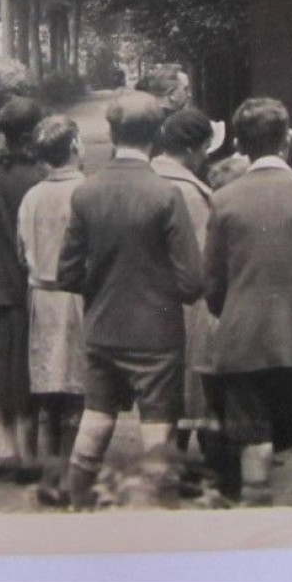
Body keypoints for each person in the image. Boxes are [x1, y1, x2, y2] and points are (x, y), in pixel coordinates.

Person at [59, 91, 204, 509]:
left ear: (110, 130)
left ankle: (76, 503)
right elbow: (192, 281)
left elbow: (66, 273)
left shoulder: (86, 192)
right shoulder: (165, 194)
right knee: (157, 428)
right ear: (158, 134)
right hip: (157, 334)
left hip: (103, 327)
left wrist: (103, 287)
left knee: (97, 417)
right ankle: (158, 518)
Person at [205, 98, 292, 507]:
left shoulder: (224, 199)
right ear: (288, 138)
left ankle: (258, 537)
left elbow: (212, 280)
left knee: (255, 440)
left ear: (240, 144)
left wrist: (231, 313)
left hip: (245, 337)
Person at [153, 108, 236, 498]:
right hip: (186, 301)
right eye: (204, 147)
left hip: (149, 300)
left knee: (163, 387)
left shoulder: (149, 178)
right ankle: (189, 467)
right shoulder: (188, 191)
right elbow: (204, 256)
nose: (206, 155)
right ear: (191, 149)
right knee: (194, 383)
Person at [0, 97, 48, 482]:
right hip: (30, 291)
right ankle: (30, 457)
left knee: (0, 375)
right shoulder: (41, 177)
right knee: (30, 375)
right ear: (35, 133)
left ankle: (6, 449)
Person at [16, 115, 88, 507]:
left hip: (41, 297)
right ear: (76, 146)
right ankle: (70, 473)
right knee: (77, 388)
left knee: (47, 389)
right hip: (77, 297)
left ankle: (51, 472)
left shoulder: (32, 197)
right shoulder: (87, 191)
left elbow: (20, 249)